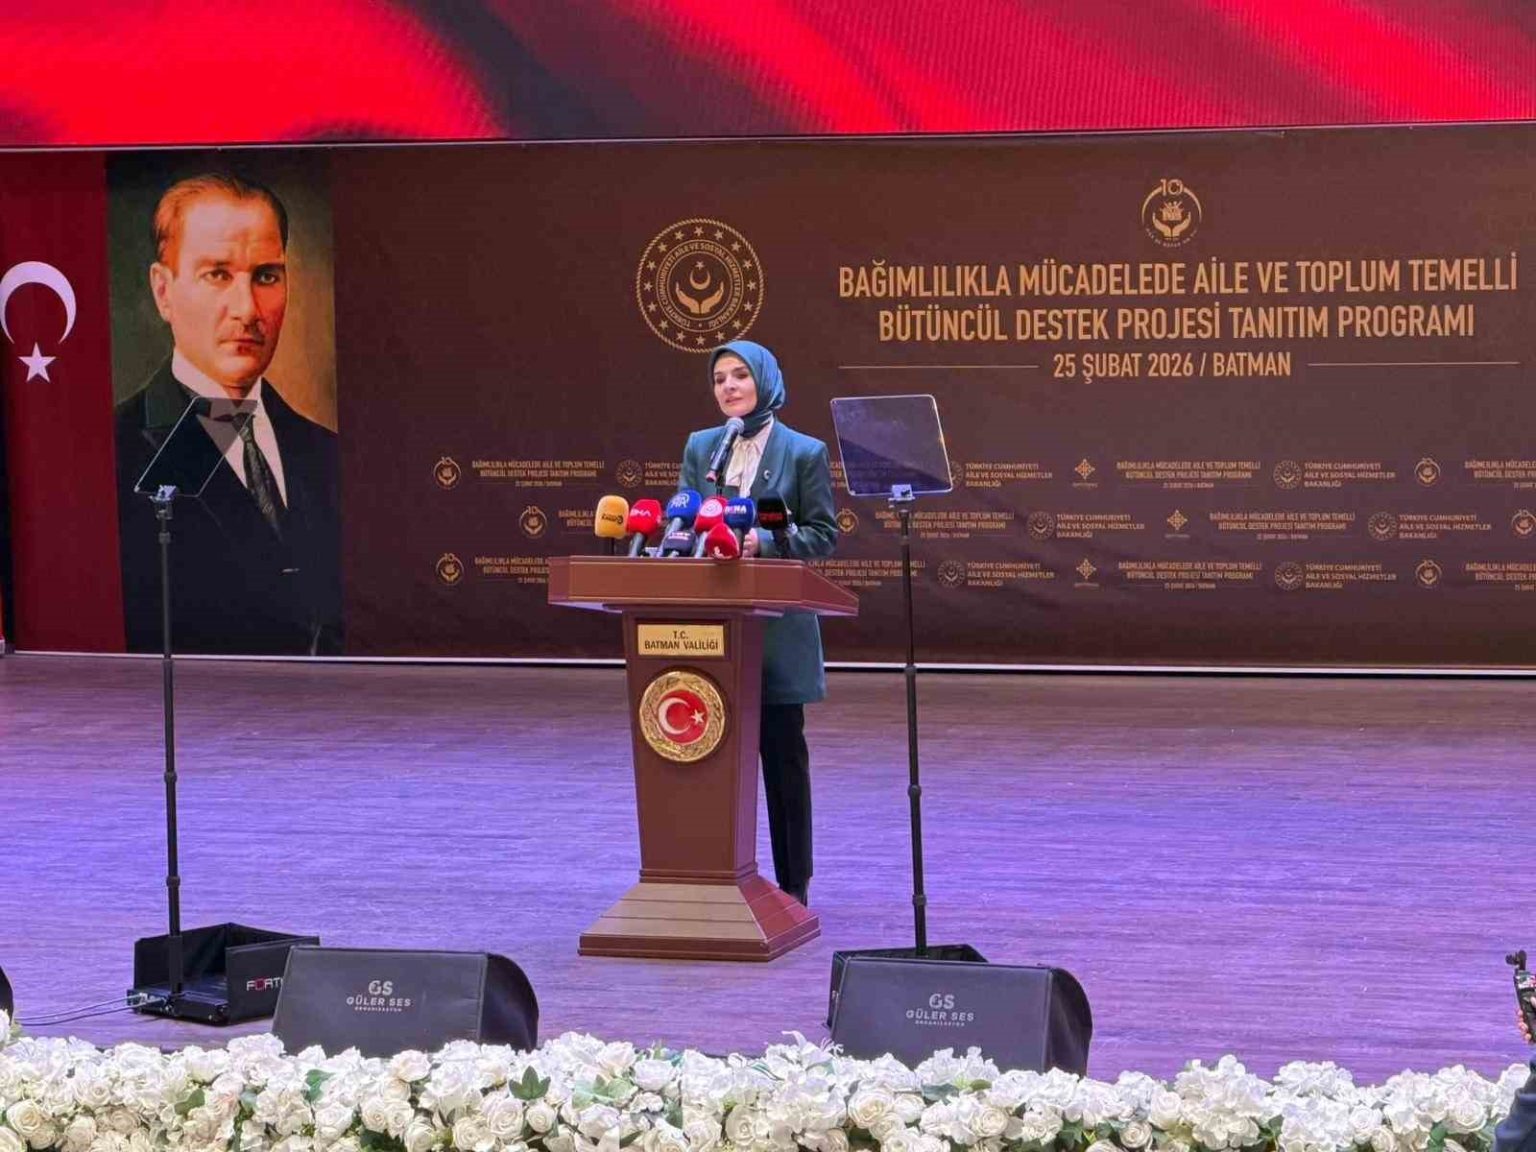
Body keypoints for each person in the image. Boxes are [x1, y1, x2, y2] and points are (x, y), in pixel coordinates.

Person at [114, 172, 342, 655]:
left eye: (266, 276)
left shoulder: (331, 453)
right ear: (163, 291)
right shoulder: (111, 457)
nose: (248, 309)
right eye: (217, 274)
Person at [678, 340, 837, 906]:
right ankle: (711, 878)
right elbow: (684, 519)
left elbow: (823, 535)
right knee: (706, 759)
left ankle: (794, 887)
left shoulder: (804, 452)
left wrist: (763, 543)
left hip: (775, 634)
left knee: (783, 762)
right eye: (719, 377)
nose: (728, 386)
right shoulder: (702, 447)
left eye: (740, 375)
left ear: (765, 381)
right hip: (710, 632)